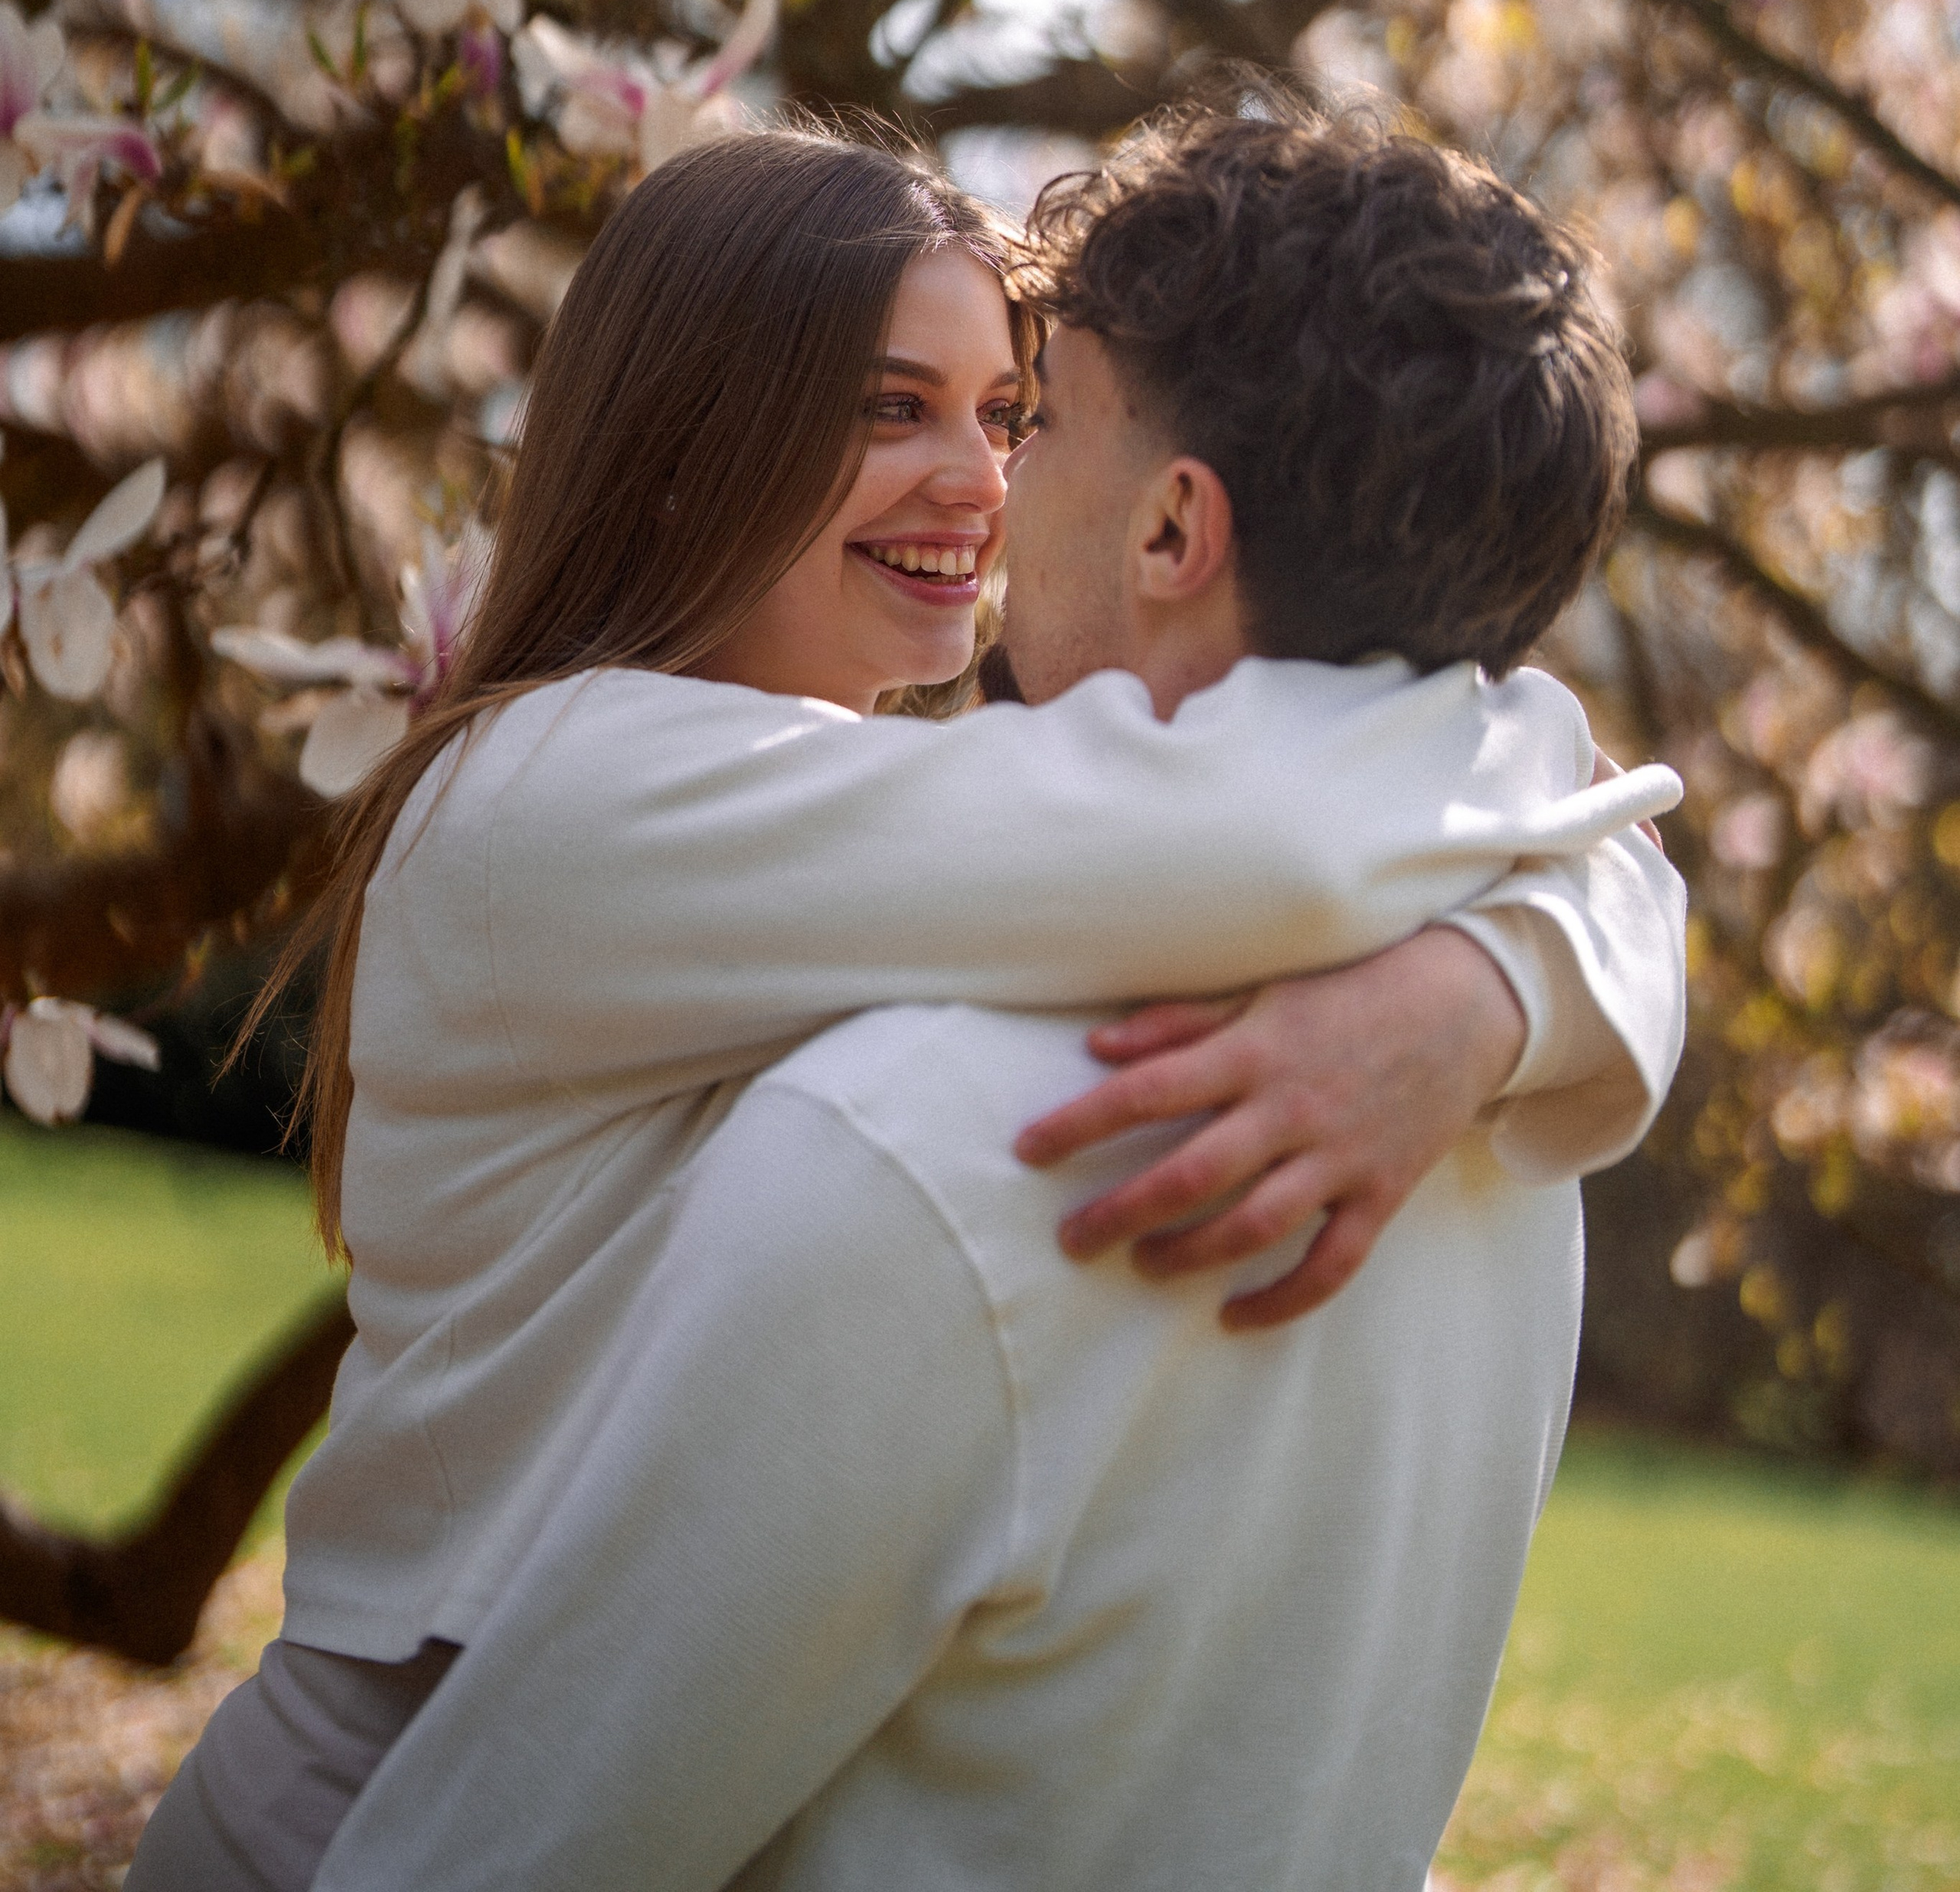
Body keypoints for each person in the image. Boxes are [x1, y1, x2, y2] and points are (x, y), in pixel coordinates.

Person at [130, 113, 1681, 1892]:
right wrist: (1503, 952)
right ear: (682, 432)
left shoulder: (891, 819)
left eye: (1011, 418)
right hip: (364, 1803)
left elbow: (1346, 811)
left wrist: (1500, 969)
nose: (982, 483)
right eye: (889, 408)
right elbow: (1279, 816)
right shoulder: (559, 796)